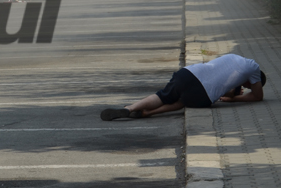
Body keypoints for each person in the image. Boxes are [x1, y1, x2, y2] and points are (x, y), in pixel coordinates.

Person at [100, 53, 266, 120]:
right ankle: (149, 112)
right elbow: (258, 97)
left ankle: (130, 108)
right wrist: (234, 99)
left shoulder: (235, 58)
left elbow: (221, 78)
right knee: (182, 102)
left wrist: (231, 94)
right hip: (203, 93)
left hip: (189, 73)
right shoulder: (254, 68)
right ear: (254, 80)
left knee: (162, 95)